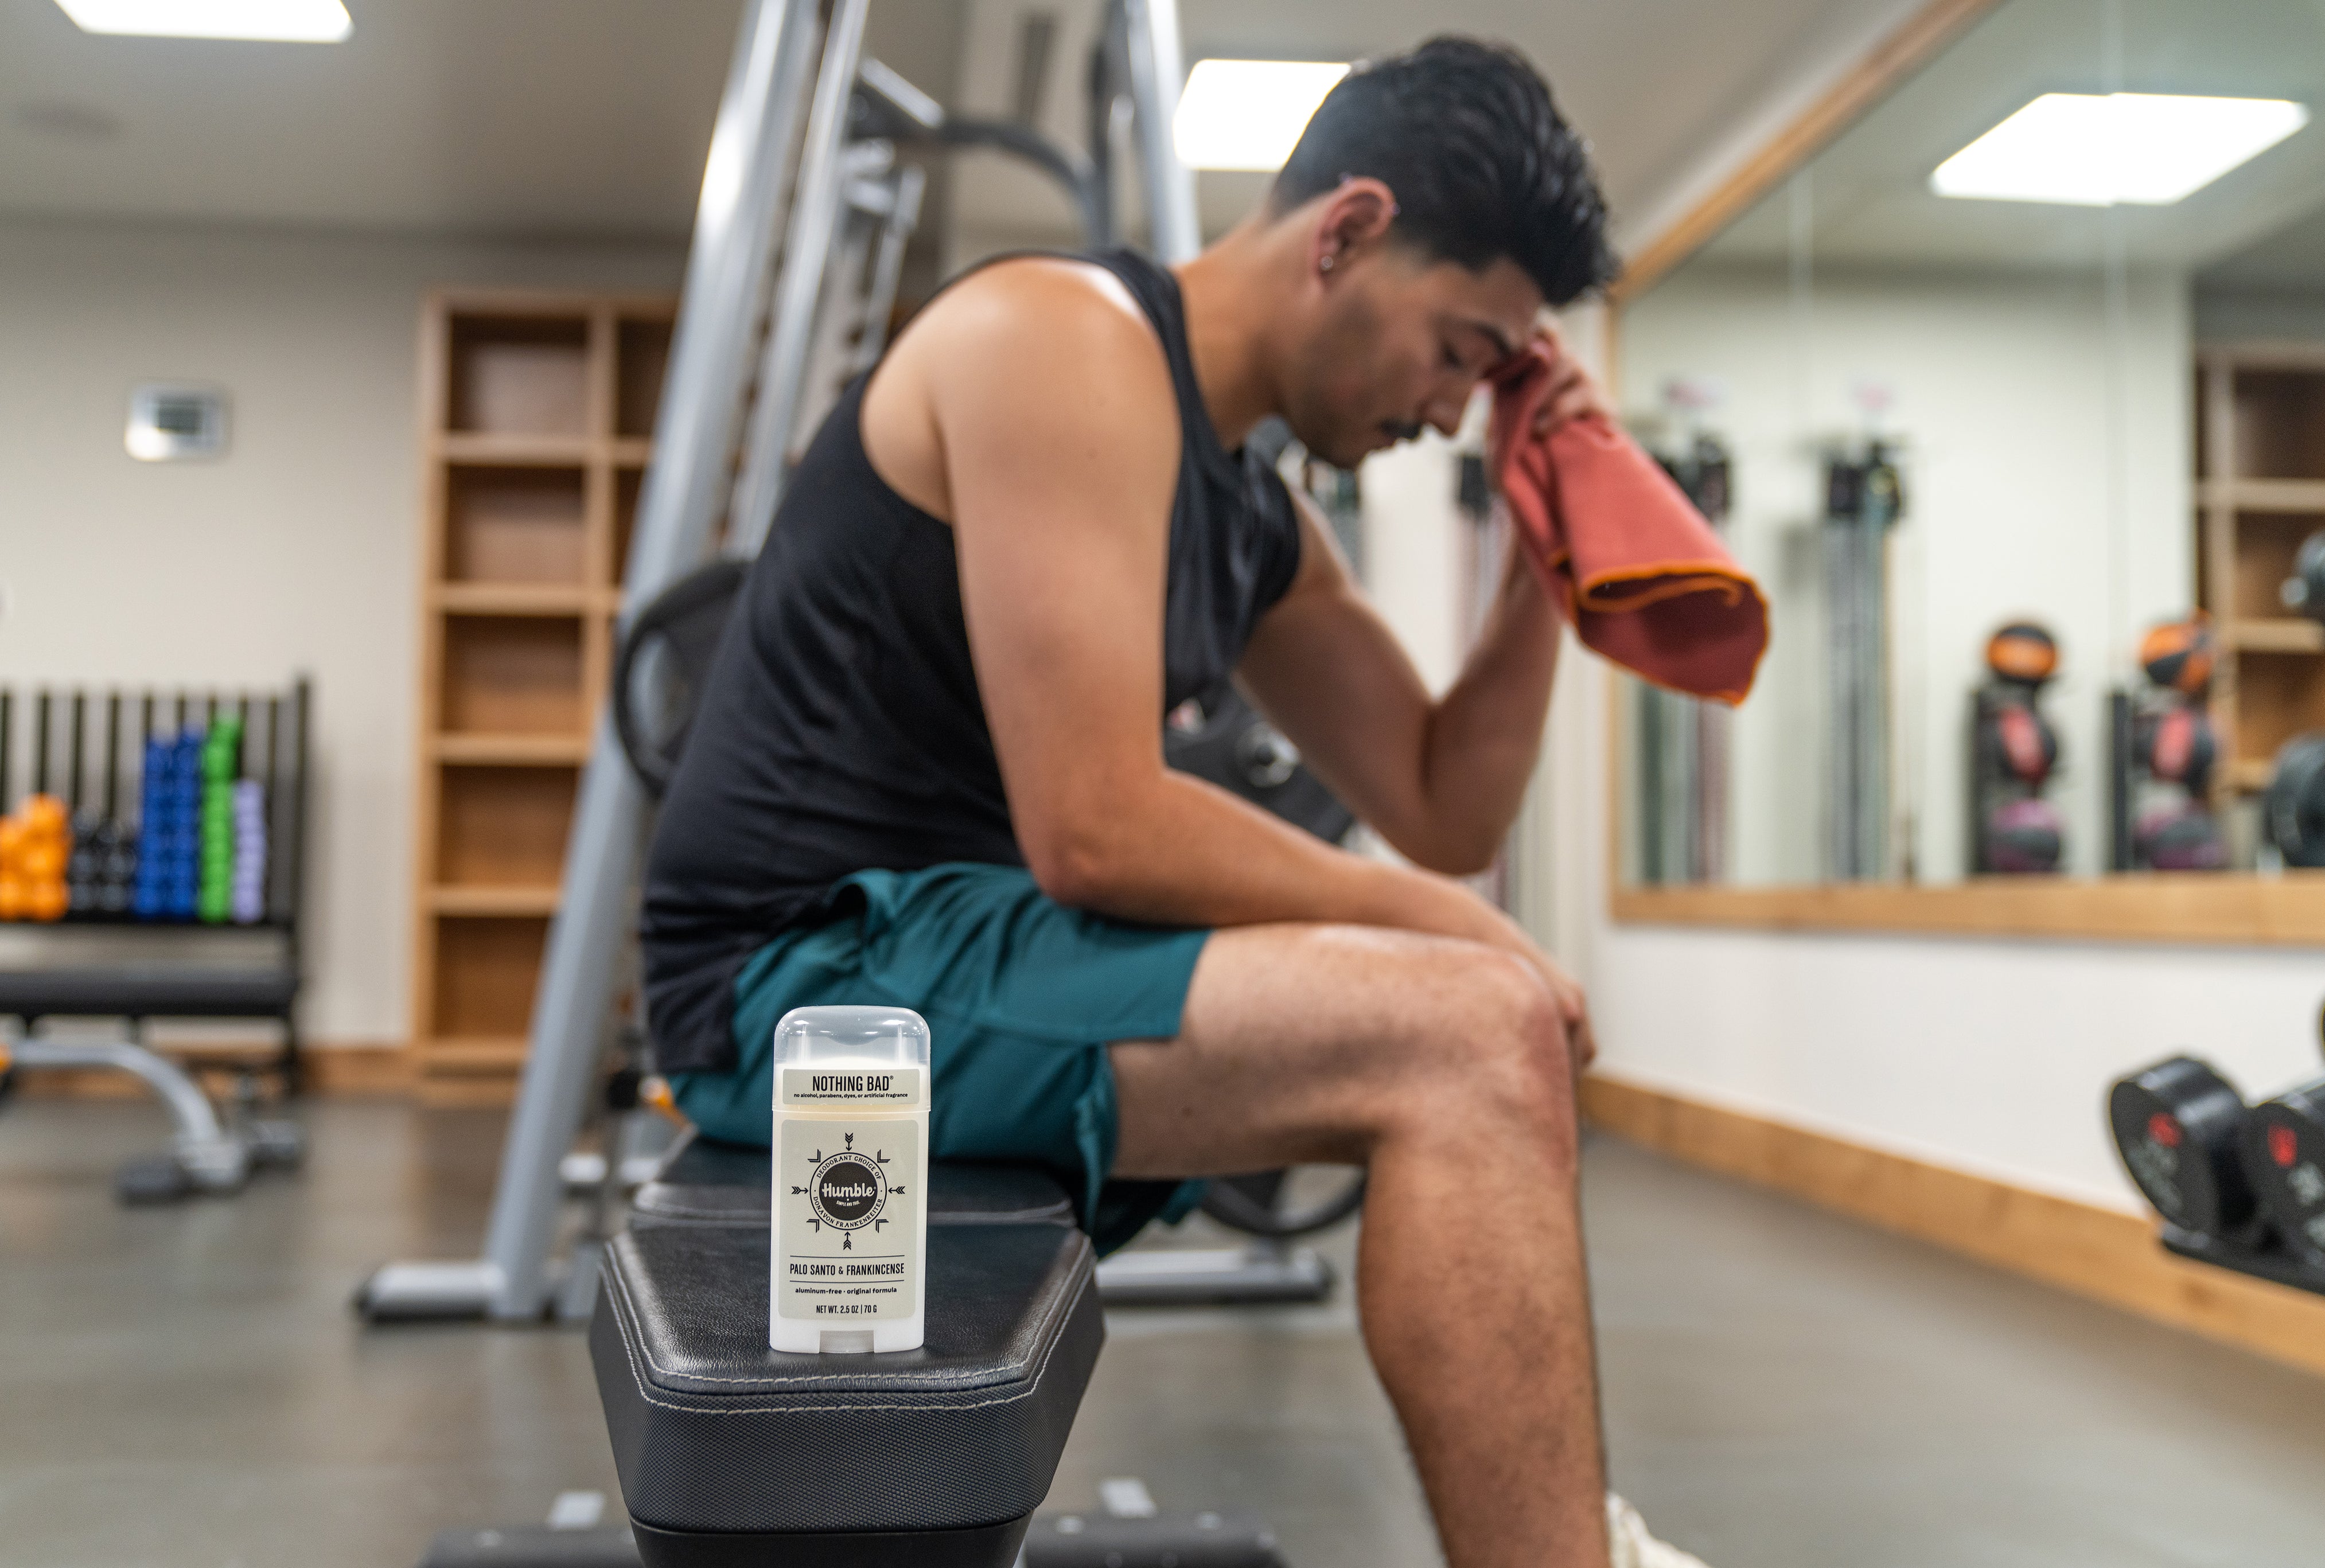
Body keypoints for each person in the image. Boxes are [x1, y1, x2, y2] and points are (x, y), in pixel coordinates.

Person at [642, 36, 1708, 1568]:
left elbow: (1441, 804)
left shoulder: (1249, 515)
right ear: (1342, 233)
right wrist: (1459, 940)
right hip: (810, 982)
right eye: (1460, 350)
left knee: (1481, 1026)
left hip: (970, 952)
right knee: (1473, 1036)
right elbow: (1099, 826)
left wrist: (1556, 538)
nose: (1457, 407)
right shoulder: (1056, 338)